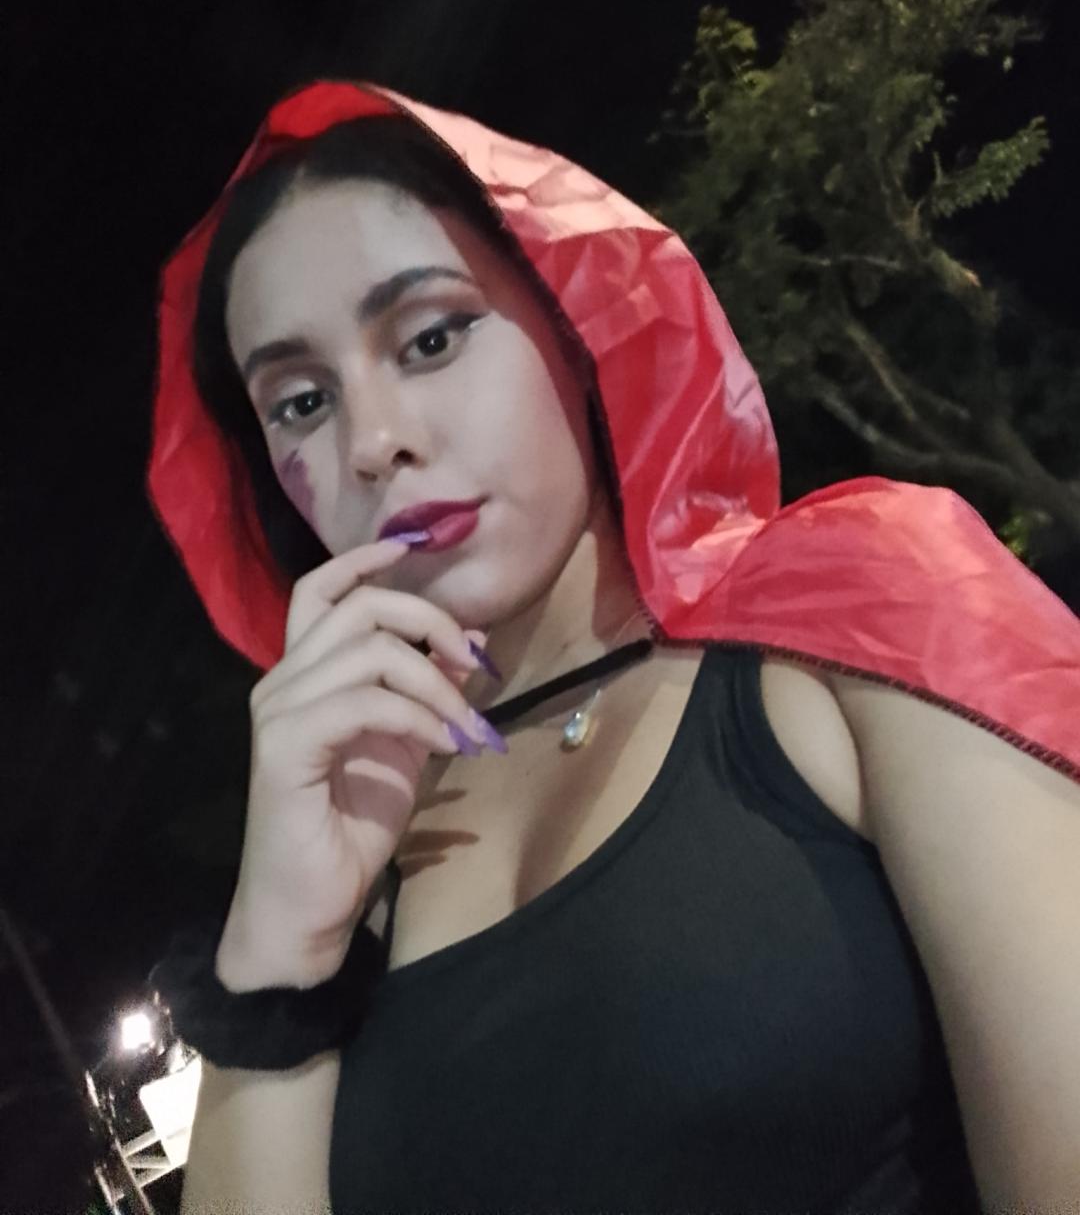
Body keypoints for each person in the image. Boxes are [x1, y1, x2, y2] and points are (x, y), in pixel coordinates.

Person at [147, 79, 1080, 1213]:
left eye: (431, 337)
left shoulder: (862, 621)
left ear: (577, 317)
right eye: (300, 403)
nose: (372, 443)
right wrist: (277, 949)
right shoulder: (352, 846)